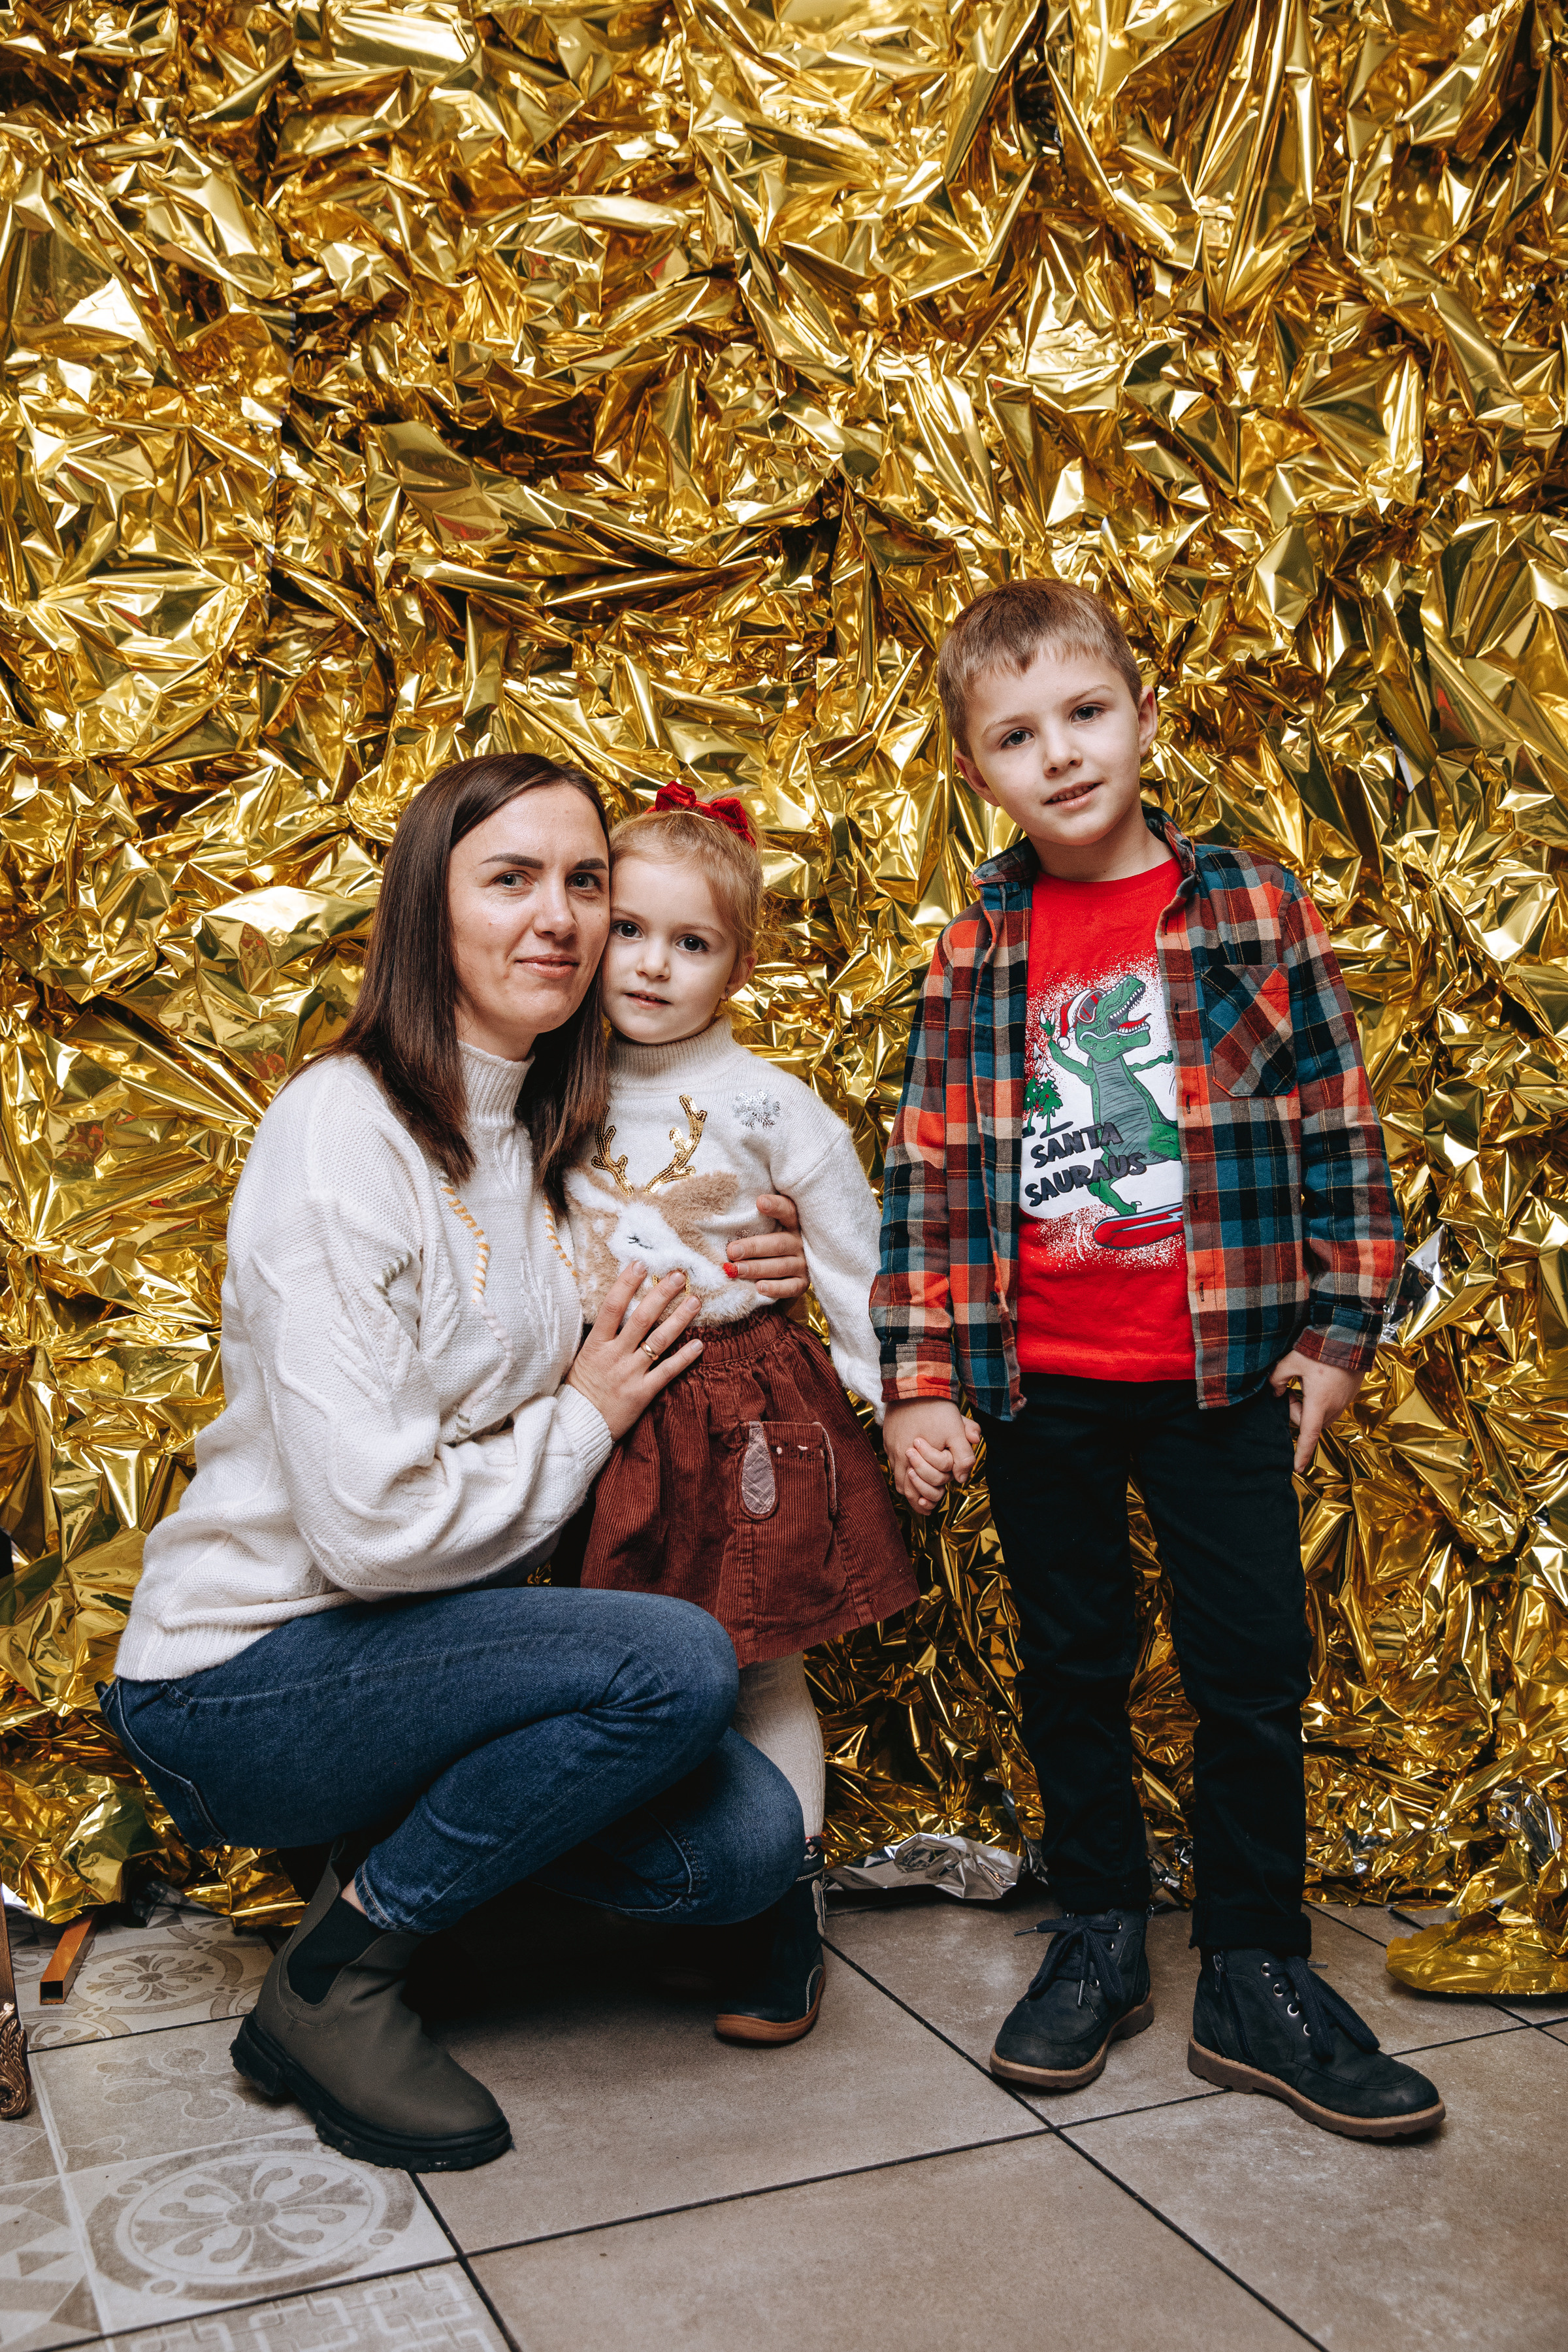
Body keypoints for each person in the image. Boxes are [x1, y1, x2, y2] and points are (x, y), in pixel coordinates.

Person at [99, 753, 817, 2176]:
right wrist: (586, 1415)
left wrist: (750, 1259)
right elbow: (371, 1534)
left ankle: (399, 1857)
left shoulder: (545, 1135)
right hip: (243, 1682)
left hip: (429, 1664)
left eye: (585, 882)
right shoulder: (339, 1134)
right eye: (511, 879)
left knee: (744, 1847)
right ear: (430, 912)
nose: (560, 916)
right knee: (672, 1667)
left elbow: (655, 1282)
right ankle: (335, 1981)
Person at [872, 580, 1446, 2142]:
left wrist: (1340, 1334)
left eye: (1085, 713)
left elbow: (1339, 1123)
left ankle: (1255, 1968)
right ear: (973, 771)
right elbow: (931, 1170)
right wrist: (922, 1376)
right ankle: (1101, 1932)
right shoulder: (976, 949)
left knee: (1250, 1672)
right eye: (1016, 736)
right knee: (1074, 1665)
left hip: (1222, 1380)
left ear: (1141, 715)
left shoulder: (1252, 907)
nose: (1060, 754)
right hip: (1040, 1384)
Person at [558, 780, 917, 2046]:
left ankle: (781, 1921)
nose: (653, 965)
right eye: (630, 931)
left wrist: (901, 1403)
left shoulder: (771, 1105)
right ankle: (697, 1890)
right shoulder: (552, 1083)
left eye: (692, 942)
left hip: (743, 1406)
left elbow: (856, 1262)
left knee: (760, 1663)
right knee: (640, 1658)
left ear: (739, 966)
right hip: (610, 1407)